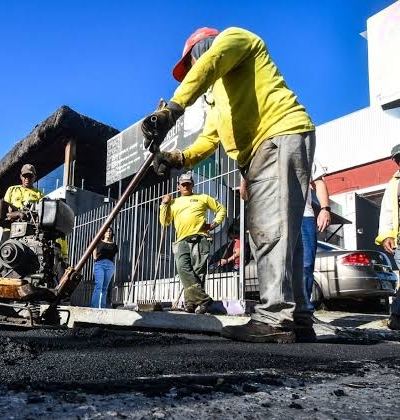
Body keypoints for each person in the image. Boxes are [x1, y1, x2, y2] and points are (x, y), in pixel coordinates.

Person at [141, 27, 316, 342]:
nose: (194, 68)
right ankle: (298, 318)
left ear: (203, 47)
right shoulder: (217, 96)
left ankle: (275, 318)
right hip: (269, 145)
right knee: (287, 236)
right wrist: (175, 158)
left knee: (270, 231)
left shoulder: (234, 39)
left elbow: (212, 63)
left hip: (276, 135)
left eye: (192, 60)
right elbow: (209, 138)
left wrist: (172, 111)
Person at [159, 172, 226, 313]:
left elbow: (221, 209)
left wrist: (213, 224)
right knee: (182, 269)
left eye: (188, 183)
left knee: (197, 272)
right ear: (179, 187)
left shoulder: (202, 198)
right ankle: (204, 300)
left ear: (192, 185)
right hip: (181, 240)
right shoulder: (173, 202)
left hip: (200, 238)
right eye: (183, 184)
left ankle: (190, 304)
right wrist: (164, 205)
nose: (186, 186)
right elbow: (164, 222)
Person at [375, 144, 400, 330]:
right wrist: (386, 235)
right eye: (398, 159)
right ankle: (397, 317)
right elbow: (388, 211)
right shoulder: (395, 183)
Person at [302, 160, 332, 310]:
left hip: (303, 216)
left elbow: (318, 182)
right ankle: (279, 310)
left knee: (306, 264)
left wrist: (325, 208)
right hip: (276, 217)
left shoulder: (306, 151)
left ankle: (304, 311)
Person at [91, 227, 118, 308]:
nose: (108, 232)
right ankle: (94, 307)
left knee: (105, 288)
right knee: (98, 285)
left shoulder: (114, 244)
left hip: (110, 265)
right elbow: (94, 248)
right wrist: (95, 258)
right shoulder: (99, 242)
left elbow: (113, 255)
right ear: (103, 233)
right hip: (100, 264)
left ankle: (102, 307)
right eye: (106, 231)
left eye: (110, 231)